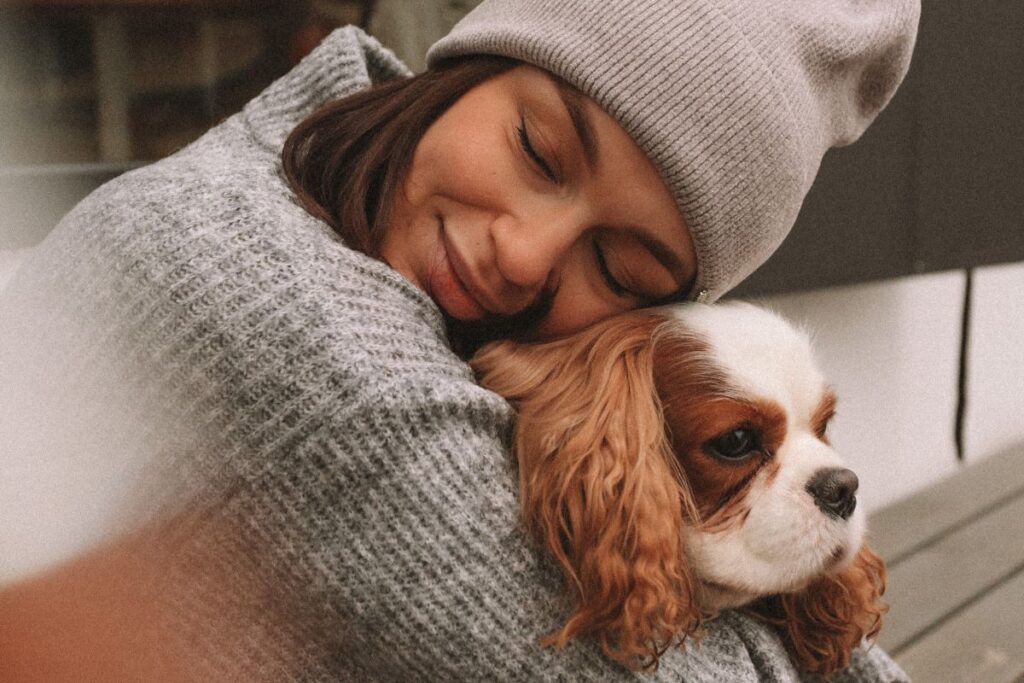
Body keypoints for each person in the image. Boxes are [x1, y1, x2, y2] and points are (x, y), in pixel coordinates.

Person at [0, 0, 920, 680]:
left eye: (620, 269)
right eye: (538, 150)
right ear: (471, 65)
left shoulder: (325, 167)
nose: (522, 256)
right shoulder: (279, 311)